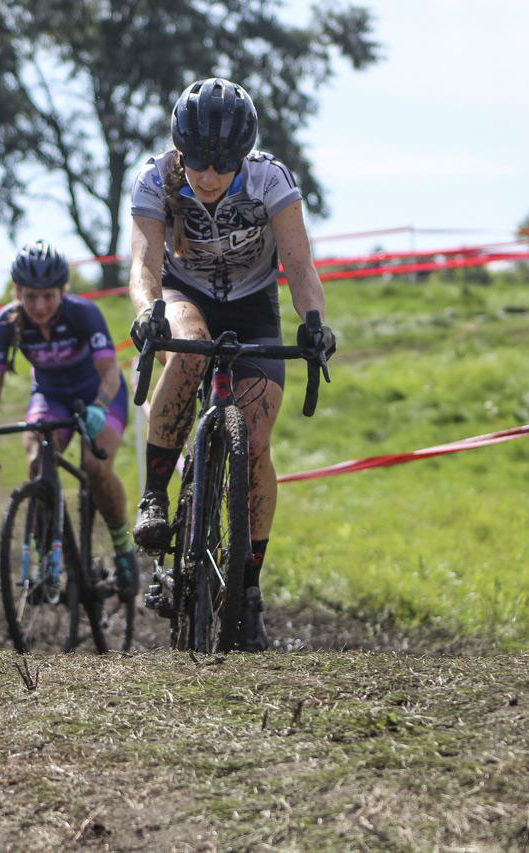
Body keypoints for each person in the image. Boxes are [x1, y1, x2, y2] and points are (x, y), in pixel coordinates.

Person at [126, 77, 337, 652]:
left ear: (243, 156)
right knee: (187, 345)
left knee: (259, 438)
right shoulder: (155, 178)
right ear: (179, 148)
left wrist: (314, 324)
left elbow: (298, 262)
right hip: (184, 291)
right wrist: (149, 313)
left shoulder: (272, 179)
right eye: (197, 159)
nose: (209, 174)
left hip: (252, 304)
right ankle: (154, 495)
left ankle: (246, 586)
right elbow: (144, 264)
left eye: (223, 163)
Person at [0, 240, 141, 602]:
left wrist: (98, 406)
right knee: (36, 462)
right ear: (17, 292)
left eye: (47, 296)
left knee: (95, 467)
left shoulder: (83, 315)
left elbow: (109, 371)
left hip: (99, 395)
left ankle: (123, 546)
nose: (39, 306)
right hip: (50, 397)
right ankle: (48, 553)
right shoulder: (6, 323)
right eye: (30, 297)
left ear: (62, 291)